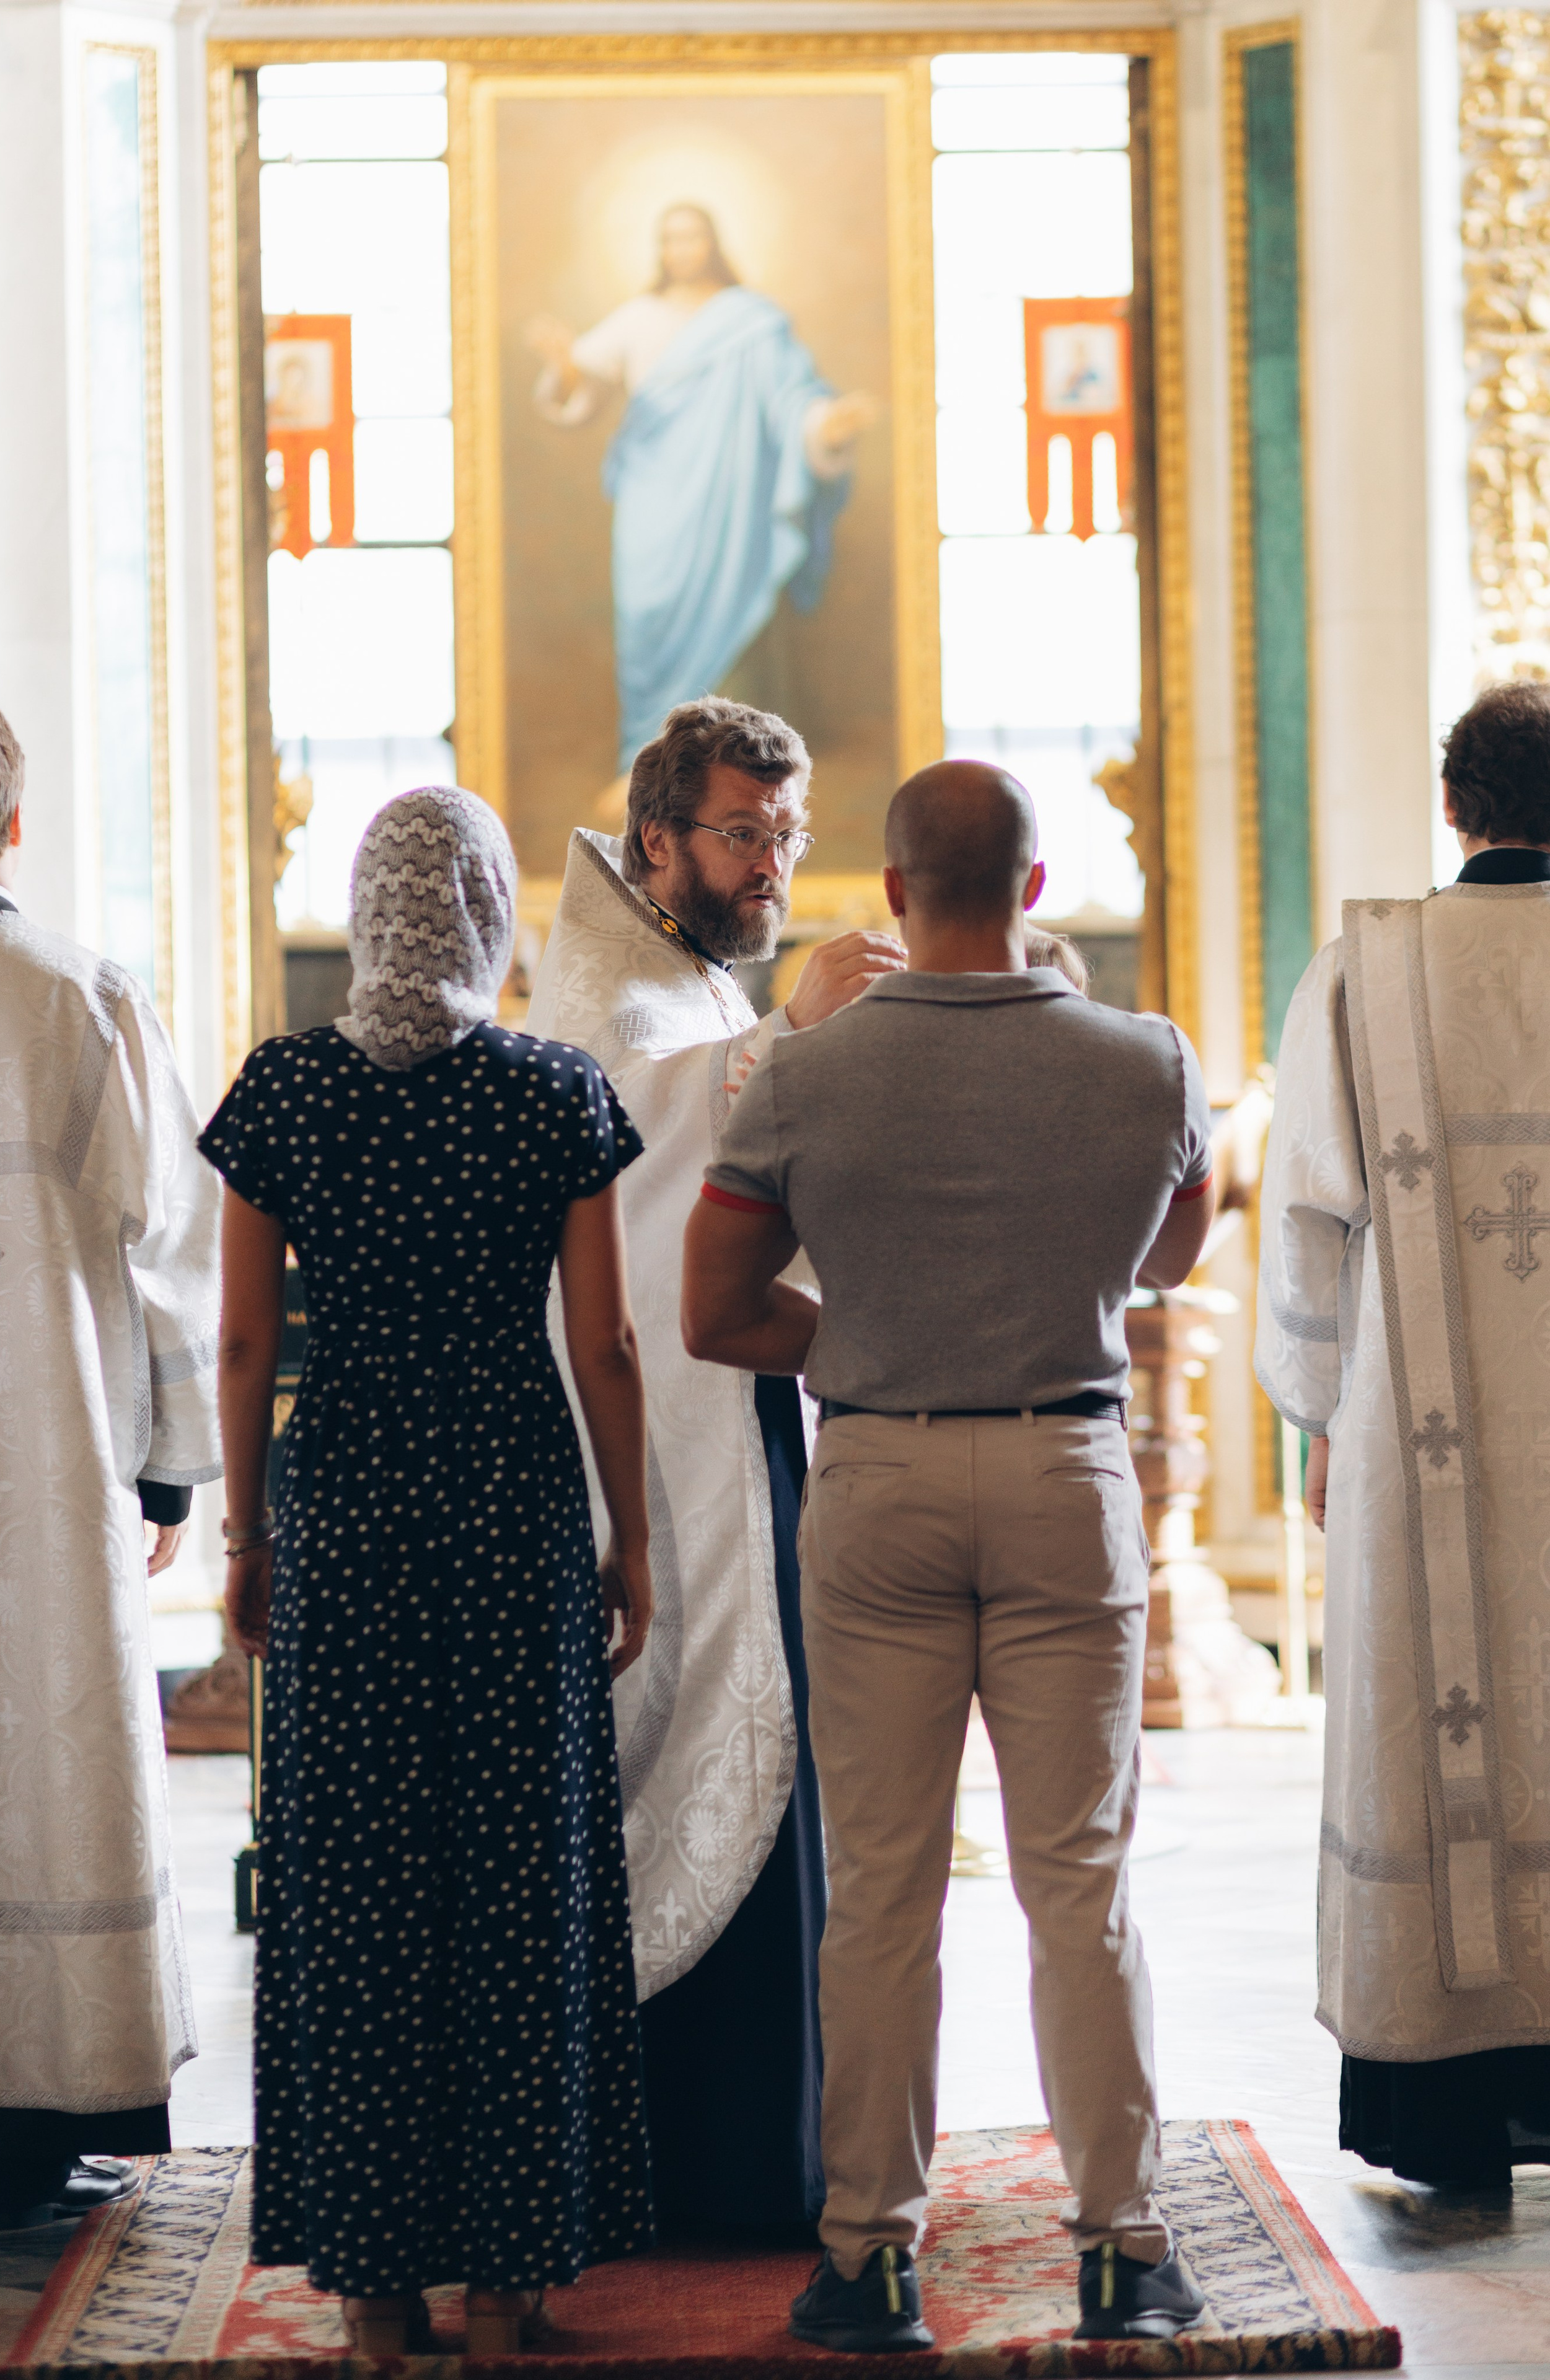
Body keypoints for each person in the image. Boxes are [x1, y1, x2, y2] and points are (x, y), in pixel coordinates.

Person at [682, 759, 1215, 2351]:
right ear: (1035, 890)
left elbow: (713, 1310)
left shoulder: (803, 1074)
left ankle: (868, 2256)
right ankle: (1120, 2242)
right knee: (1080, 1879)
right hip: (1065, 1466)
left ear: (894, 897)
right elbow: (1165, 1255)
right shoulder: (1144, 1061)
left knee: (883, 1892)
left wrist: (871, 1332)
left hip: (880, 1477)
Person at [201, 788, 654, 2352]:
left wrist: (250, 1532)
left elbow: (249, 1334)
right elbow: (599, 1339)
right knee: (517, 1870)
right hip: (509, 1496)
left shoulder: (283, 1090)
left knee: (356, 1878)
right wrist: (631, 1534)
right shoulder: (554, 1092)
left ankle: (379, 2293)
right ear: (483, 913)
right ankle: (514, 2275)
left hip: (345, 1498)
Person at [527, 695, 905, 2240]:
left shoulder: (683, 983)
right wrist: (797, 1032)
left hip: (735, 1413)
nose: (769, 865)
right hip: (657, 1449)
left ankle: (766, 2147)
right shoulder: (606, 997)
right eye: (742, 834)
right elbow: (648, 1135)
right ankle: (690, 2158)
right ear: (657, 839)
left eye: (787, 836)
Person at [1256, 679, 1550, 2190]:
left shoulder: (1367, 969)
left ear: (1455, 807)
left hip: (1419, 1436)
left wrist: (1318, 1411)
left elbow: (1305, 1218)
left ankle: (1447, 2111)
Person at [0, 694, 221, 2228]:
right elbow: (174, 1251)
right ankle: (38, 2121)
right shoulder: (81, 993)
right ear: (10, 821)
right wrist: (173, 1469)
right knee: (41, 1765)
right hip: (48, 1466)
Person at [528, 203, 875, 772]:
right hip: (652, 493)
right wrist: (564, 364)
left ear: (712, 244)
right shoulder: (639, 317)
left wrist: (825, 425)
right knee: (645, 616)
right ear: (660, 250)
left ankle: (737, 776)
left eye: (691, 238)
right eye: (670, 239)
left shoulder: (752, 321)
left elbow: (792, 402)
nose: (681, 249)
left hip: (727, 504)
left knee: (730, 617)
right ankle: (649, 763)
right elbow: (583, 387)